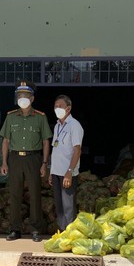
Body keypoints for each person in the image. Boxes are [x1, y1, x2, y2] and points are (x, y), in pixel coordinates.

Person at [0, 79, 52, 242]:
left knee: (35, 193)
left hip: (33, 158)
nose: (23, 98)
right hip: (15, 159)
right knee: (15, 194)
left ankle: (35, 229)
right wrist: (4, 162)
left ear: (32, 99)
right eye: (20, 95)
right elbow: (6, 141)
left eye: (26, 95)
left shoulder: (40, 117)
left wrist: (44, 163)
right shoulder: (11, 117)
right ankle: (15, 229)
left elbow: (45, 142)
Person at [49, 95, 83, 232]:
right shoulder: (57, 126)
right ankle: (62, 232)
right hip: (56, 172)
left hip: (67, 173)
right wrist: (51, 171)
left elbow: (77, 150)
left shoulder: (74, 125)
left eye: (60, 106)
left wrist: (69, 171)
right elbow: (55, 150)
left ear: (68, 108)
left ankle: (70, 234)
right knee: (59, 206)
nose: (57, 108)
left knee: (68, 206)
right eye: (55, 106)